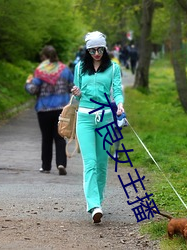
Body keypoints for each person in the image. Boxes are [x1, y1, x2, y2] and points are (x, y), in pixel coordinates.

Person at [71, 31, 124, 223]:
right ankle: (93, 205)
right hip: (84, 118)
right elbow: (77, 97)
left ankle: (98, 201)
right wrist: (76, 92)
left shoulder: (113, 68)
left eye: (100, 49)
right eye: (92, 50)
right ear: (87, 50)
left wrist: (119, 104)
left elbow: (117, 90)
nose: (96, 53)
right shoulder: (79, 68)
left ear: (105, 48)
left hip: (106, 119)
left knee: (102, 164)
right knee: (90, 163)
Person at [25, 45, 74, 175]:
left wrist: (28, 83)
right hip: (61, 109)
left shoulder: (40, 71)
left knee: (46, 138)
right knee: (60, 137)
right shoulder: (65, 70)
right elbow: (72, 87)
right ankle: (61, 163)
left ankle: (46, 166)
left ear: (44, 57)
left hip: (44, 109)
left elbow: (33, 90)